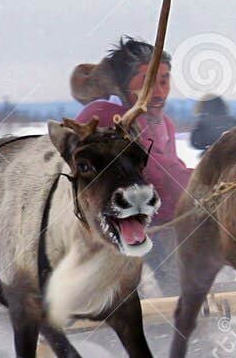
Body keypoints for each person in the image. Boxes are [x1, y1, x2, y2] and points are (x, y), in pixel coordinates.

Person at [70, 37, 193, 294]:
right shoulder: (105, 115)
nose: (159, 91)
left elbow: (172, 174)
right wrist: (204, 182)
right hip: (102, 226)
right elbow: (156, 173)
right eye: (147, 81)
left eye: (164, 80)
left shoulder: (163, 124)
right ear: (124, 83)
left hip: (149, 220)